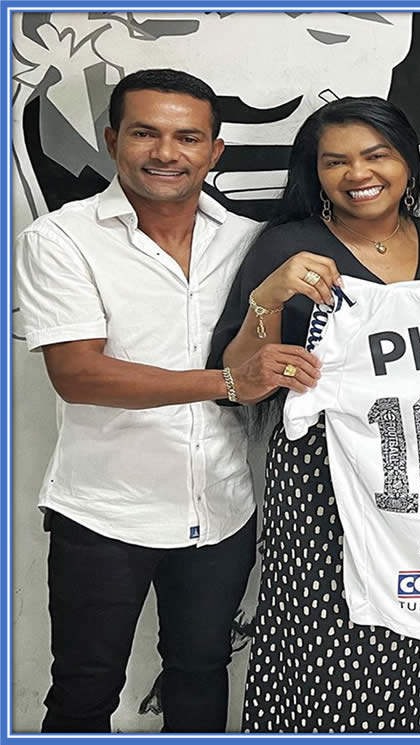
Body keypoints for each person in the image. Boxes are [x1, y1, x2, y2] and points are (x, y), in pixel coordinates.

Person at [14, 69, 315, 733]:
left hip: (221, 509)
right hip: (102, 515)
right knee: (84, 692)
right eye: (145, 133)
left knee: (201, 673)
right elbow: (80, 374)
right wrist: (226, 383)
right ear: (111, 138)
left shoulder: (250, 243)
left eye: (187, 137)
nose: (166, 152)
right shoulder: (61, 239)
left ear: (215, 152)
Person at [208, 96, 420, 733]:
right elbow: (236, 371)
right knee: (327, 625)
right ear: (316, 174)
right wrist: (266, 299)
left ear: (407, 164)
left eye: (376, 154)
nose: (358, 173)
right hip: (320, 476)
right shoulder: (287, 245)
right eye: (335, 162)